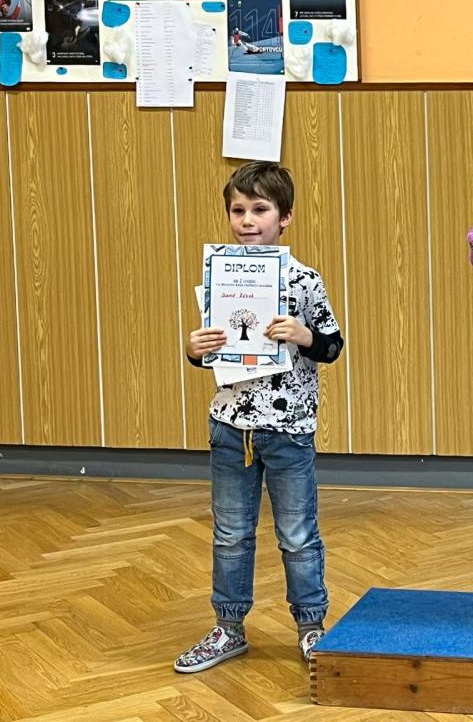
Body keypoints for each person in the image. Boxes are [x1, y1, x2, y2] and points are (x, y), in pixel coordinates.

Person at [174, 161, 344, 673]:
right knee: (230, 533)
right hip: (230, 426)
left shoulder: (304, 281)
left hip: (289, 430)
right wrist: (194, 349)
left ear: (284, 217)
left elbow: (332, 346)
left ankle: (311, 627)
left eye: (260, 209)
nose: (247, 220)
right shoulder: (218, 276)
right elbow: (213, 352)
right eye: (238, 210)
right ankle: (228, 628)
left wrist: (304, 336)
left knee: (297, 534)